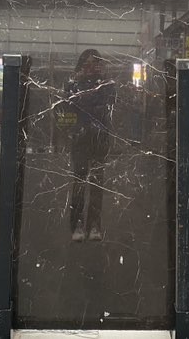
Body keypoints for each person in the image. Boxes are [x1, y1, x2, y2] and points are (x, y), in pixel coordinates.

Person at [65, 49, 116, 242]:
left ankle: (94, 224)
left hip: (99, 138)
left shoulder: (107, 84)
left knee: (96, 183)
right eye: (86, 64)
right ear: (80, 66)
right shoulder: (73, 84)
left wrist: (87, 96)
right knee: (79, 181)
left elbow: (108, 104)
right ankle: (77, 224)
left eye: (95, 64)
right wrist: (79, 83)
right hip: (80, 138)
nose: (91, 68)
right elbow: (69, 105)